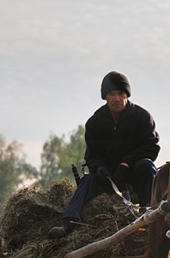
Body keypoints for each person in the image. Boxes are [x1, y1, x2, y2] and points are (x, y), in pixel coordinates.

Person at [48, 71, 160, 239]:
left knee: (147, 166)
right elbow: (92, 155)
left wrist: (126, 164)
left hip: (136, 173)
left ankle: (149, 214)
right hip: (108, 178)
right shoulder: (95, 122)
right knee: (88, 180)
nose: (117, 98)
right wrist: (100, 168)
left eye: (121, 94)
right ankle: (68, 222)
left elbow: (151, 147)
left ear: (127, 95)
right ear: (105, 97)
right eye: (112, 94)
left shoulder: (143, 117)